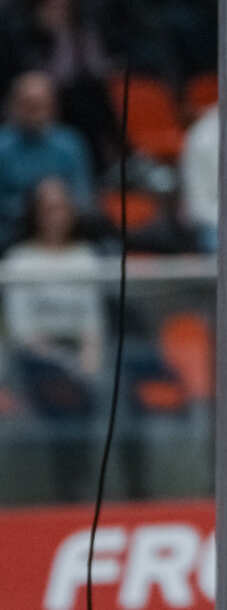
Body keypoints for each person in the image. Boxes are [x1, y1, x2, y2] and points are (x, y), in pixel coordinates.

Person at [4, 177, 107, 501]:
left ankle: (88, 491)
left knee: (114, 388)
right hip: (34, 360)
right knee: (59, 390)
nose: (57, 215)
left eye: (62, 207)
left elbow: (92, 321)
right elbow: (22, 330)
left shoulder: (86, 257)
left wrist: (87, 363)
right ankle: (62, 493)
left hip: (79, 357)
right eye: (49, 208)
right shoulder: (19, 261)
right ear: (34, 213)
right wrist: (63, 364)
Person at [0, 72, 94, 251]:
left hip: (65, 221)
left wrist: (57, 205)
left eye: (41, 105)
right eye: (30, 105)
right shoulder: (2, 147)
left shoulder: (71, 143)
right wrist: (36, 206)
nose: (36, 112)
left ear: (53, 106)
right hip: (13, 226)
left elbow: (83, 194)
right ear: (14, 106)